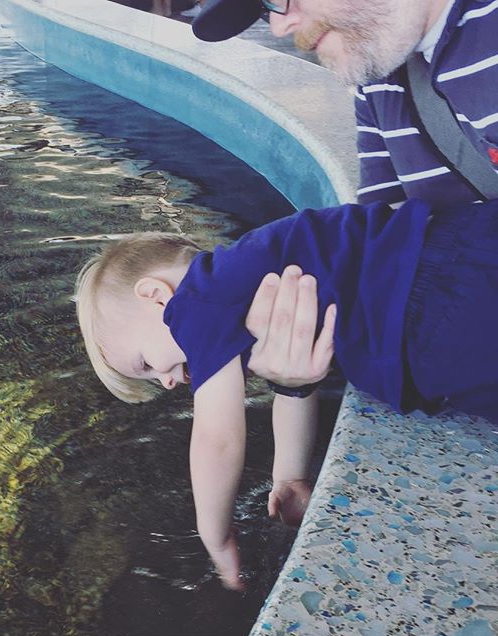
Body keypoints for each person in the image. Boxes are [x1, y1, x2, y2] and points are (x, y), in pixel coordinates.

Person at [74, 197, 498, 590]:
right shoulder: (239, 279)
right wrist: (288, 477)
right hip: (451, 254)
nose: (166, 382)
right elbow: (294, 389)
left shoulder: (193, 305)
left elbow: (216, 439)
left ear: (155, 296)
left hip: (434, 302)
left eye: (146, 364)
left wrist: (215, 537)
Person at [191, 0, 498, 396]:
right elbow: (385, 260)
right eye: (267, 12)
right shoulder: (380, 83)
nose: (281, 27)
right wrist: (300, 366)